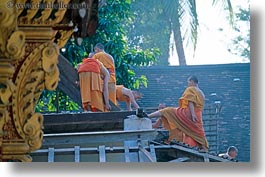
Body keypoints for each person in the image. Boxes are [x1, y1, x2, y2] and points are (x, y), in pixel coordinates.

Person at [146, 75, 209, 152]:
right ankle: (203, 147)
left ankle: (147, 116)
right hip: (198, 114)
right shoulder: (201, 93)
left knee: (167, 111)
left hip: (189, 113)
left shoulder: (191, 88)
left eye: (188, 82)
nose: (188, 84)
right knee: (198, 131)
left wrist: (192, 114)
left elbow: (190, 101)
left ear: (192, 81)